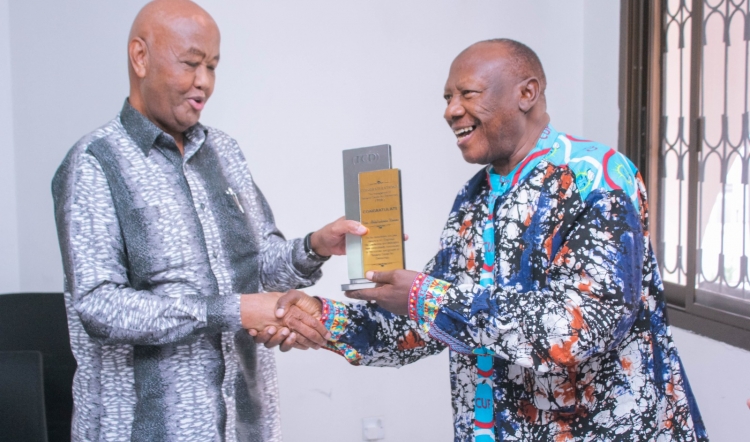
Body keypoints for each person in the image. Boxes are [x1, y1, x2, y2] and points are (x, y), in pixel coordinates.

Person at [258, 39, 709, 441]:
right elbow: (425, 326)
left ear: (527, 93)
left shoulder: (597, 177)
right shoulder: (473, 197)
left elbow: (580, 330)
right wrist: (320, 318)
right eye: (447, 98)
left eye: (467, 93)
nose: (451, 110)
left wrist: (424, 297)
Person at [51, 1, 363, 440]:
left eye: (212, 66)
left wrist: (314, 247)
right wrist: (232, 310)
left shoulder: (225, 152)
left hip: (245, 425)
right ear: (140, 57)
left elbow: (260, 268)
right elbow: (99, 307)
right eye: (191, 63)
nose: (205, 82)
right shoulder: (94, 163)